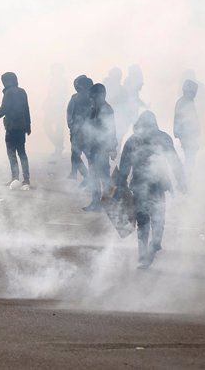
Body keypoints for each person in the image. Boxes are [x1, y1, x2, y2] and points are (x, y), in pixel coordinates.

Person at [116, 111, 186, 269]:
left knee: (147, 220)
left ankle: (148, 251)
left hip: (149, 185)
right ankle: (149, 250)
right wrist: (181, 181)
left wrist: (121, 184)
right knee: (154, 219)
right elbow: (174, 162)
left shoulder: (133, 140)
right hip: (151, 186)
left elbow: (124, 167)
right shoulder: (160, 138)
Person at [0, 72, 32, 190]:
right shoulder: (22, 92)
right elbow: (27, 109)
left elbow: (3, 109)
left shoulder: (8, 93)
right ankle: (26, 180)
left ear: (7, 81)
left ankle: (15, 178)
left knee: (12, 154)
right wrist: (28, 126)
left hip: (11, 127)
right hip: (21, 127)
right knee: (22, 153)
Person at [83, 83, 117, 212]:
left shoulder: (107, 110)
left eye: (94, 97)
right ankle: (96, 203)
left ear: (102, 95)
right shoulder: (94, 108)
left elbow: (111, 130)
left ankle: (108, 204)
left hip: (102, 148)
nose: (92, 99)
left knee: (104, 177)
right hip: (93, 148)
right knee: (93, 176)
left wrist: (112, 148)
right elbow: (89, 127)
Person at [66, 75, 93, 184]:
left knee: (77, 155)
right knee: (87, 156)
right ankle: (88, 176)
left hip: (79, 132)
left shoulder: (76, 98)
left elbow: (69, 114)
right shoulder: (90, 99)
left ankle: (87, 177)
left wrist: (71, 125)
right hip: (83, 132)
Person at [173, 79, 200, 179]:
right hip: (187, 136)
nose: (194, 94)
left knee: (190, 159)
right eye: (193, 92)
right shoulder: (185, 102)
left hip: (187, 135)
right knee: (190, 160)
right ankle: (185, 179)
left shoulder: (184, 101)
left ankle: (186, 178)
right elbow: (187, 121)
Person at [43, 65, 66, 160]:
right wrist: (46, 102)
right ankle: (58, 145)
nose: (52, 73)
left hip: (59, 108)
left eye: (54, 71)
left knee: (59, 129)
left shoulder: (63, 83)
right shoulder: (53, 82)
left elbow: (62, 97)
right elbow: (50, 94)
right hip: (51, 108)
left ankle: (58, 149)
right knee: (47, 126)